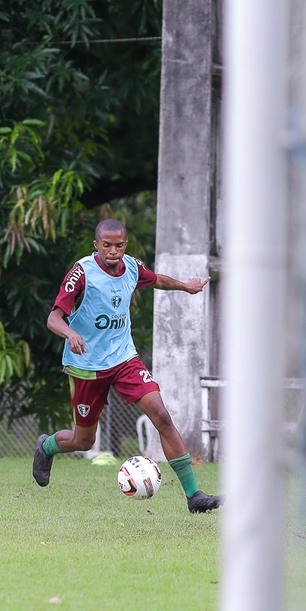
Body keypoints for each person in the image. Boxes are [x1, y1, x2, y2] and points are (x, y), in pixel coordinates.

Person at [32, 219, 222, 513]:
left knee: (161, 414)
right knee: (83, 440)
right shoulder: (81, 273)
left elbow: (157, 279)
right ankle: (47, 447)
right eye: (106, 245)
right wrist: (70, 333)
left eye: (119, 245)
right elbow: (53, 318)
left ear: (125, 245)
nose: (113, 251)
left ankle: (194, 496)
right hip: (87, 366)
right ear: (96, 245)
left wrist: (186, 287)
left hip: (124, 359)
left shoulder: (132, 267)